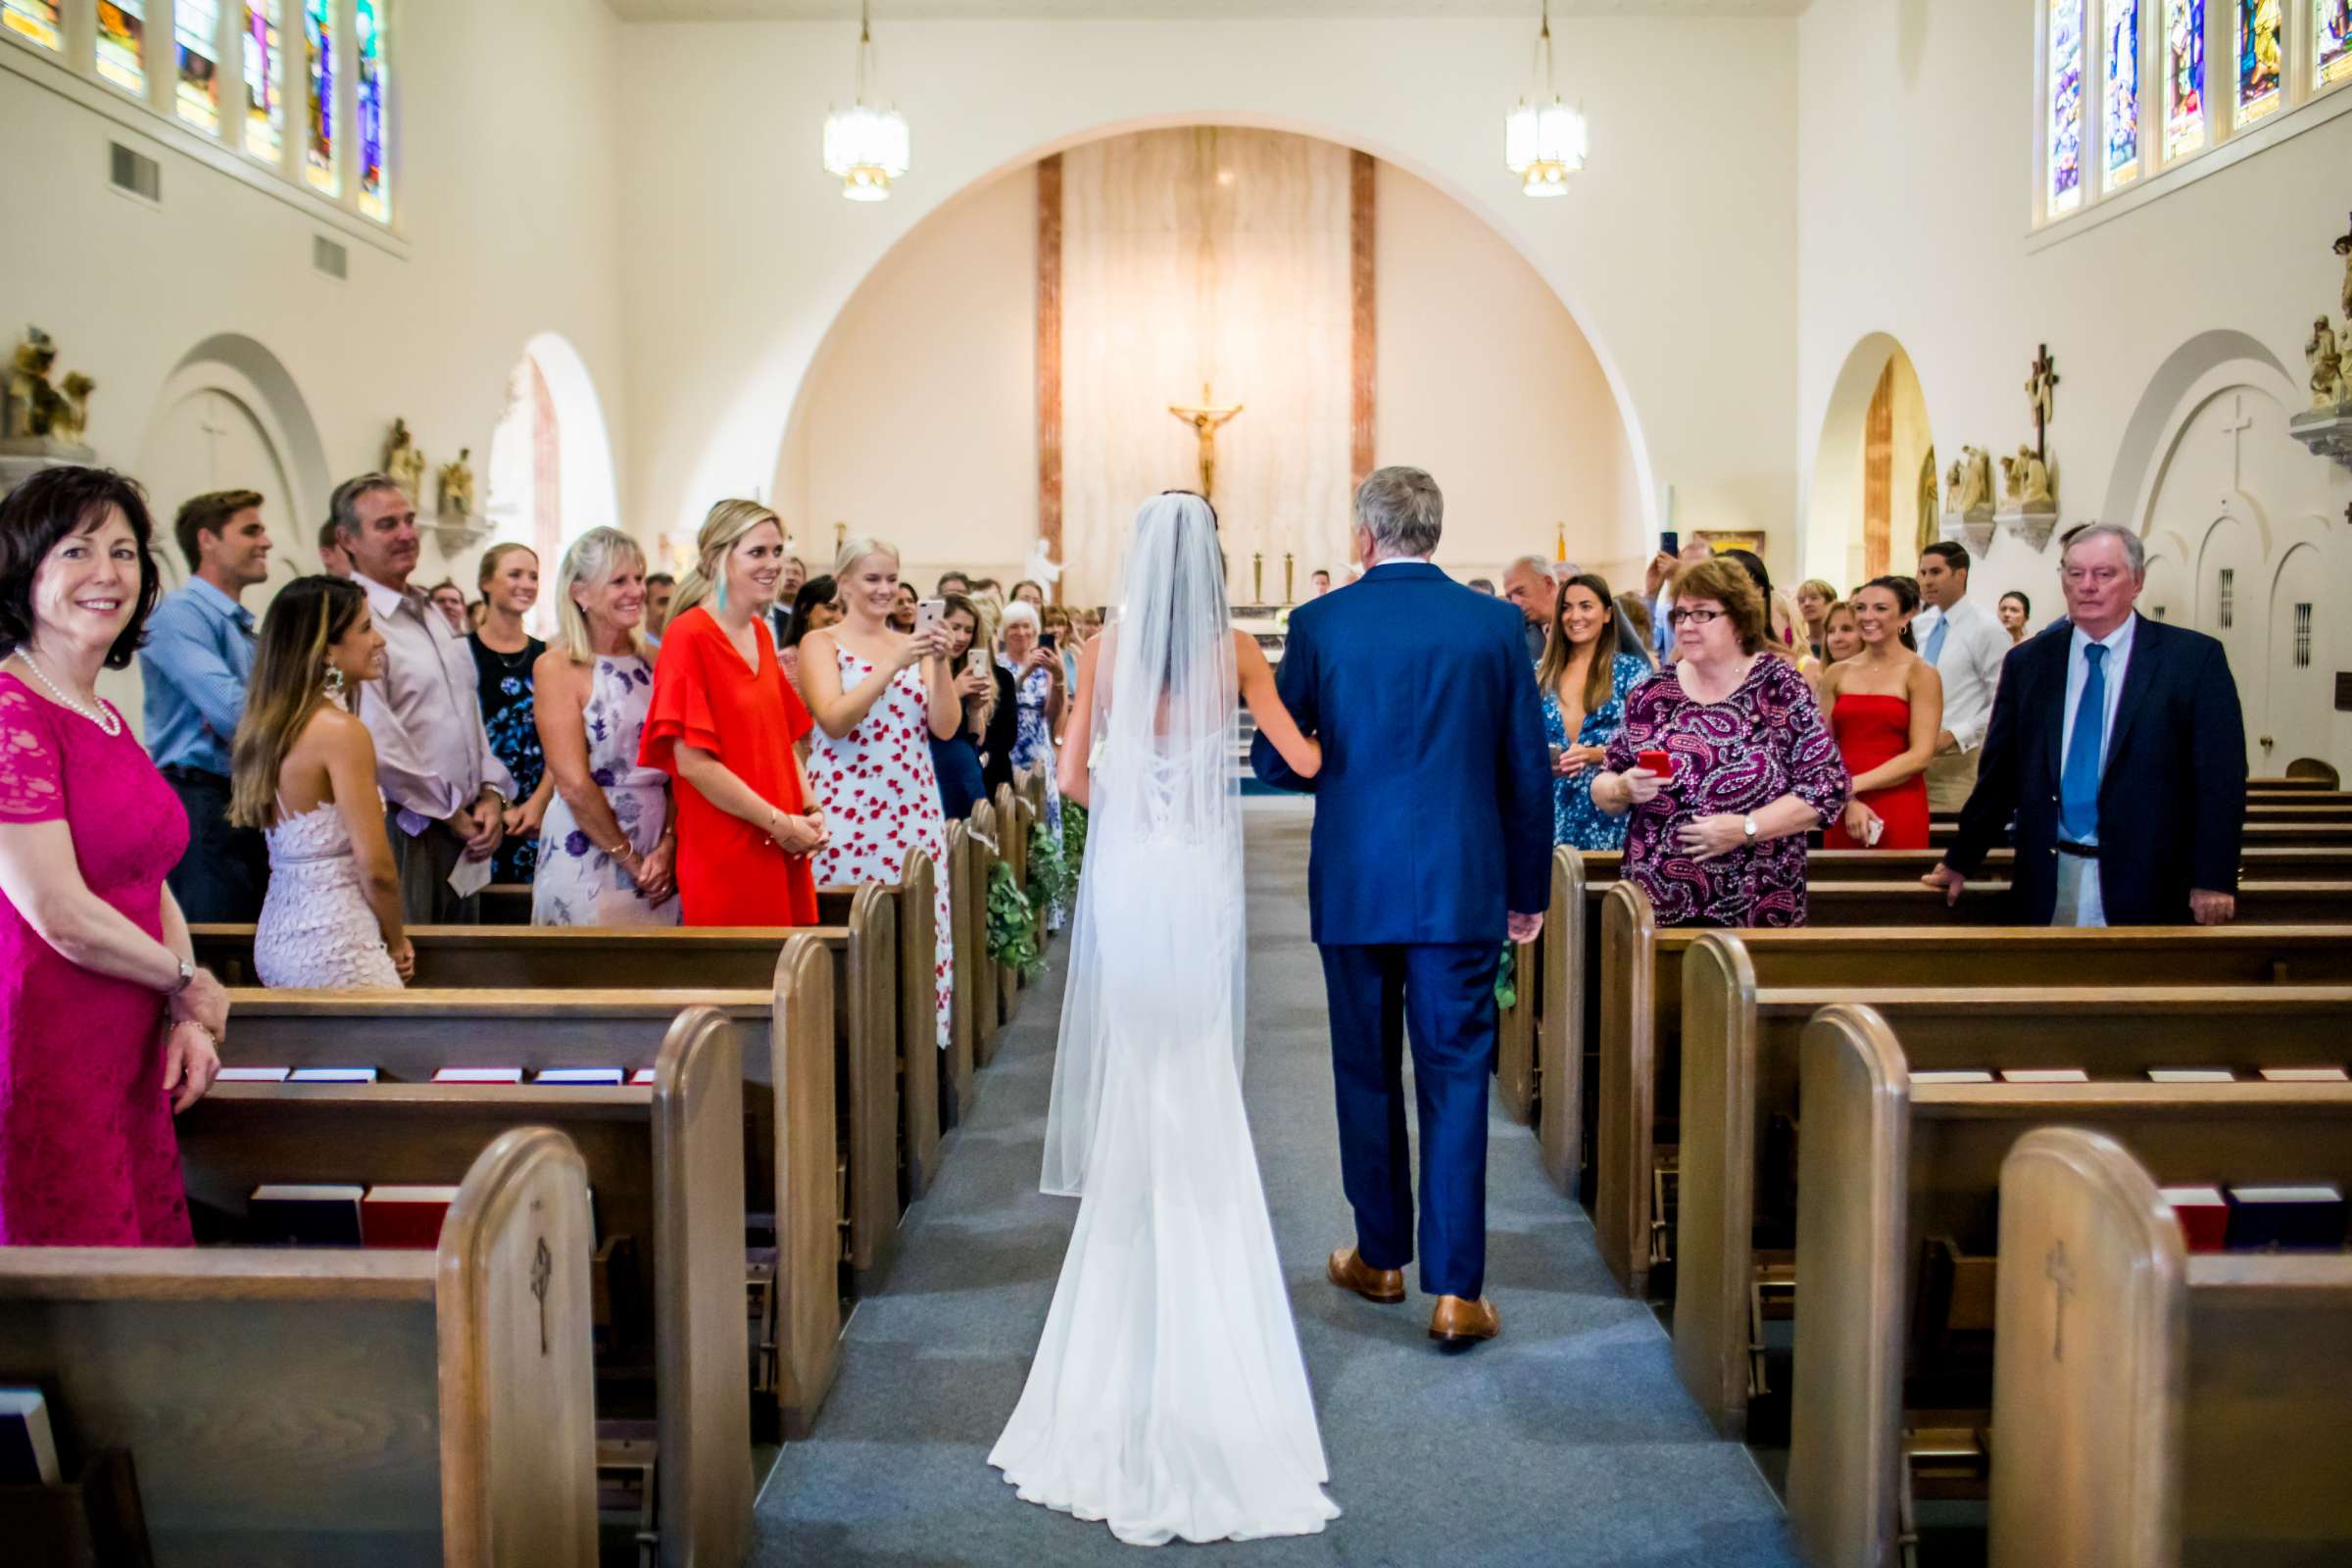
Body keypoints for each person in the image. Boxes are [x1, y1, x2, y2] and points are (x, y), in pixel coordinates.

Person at [993, 490, 1336, 1545]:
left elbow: (1078, 772)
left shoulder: (1105, 645)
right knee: (1196, 1070)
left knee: (1143, 1067)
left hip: (1136, 876)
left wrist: (1142, 805)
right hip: (1195, 878)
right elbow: (1305, 763)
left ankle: (1129, 1263)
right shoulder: (1238, 648)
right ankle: (1205, 1259)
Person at [1251, 466, 1552, 1348]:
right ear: (1436, 530)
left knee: (1366, 1069)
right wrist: (1525, 892)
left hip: (1355, 880)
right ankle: (1457, 1291)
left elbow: (1279, 760)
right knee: (1458, 1077)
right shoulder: (1495, 624)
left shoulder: (1321, 622)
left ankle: (1381, 1256)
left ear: (1363, 535)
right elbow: (1525, 771)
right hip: (1464, 881)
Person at [0, 466, 225, 1245]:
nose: (107, 573)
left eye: (124, 552)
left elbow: (149, 878)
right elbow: (58, 913)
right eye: (76, 551)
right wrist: (187, 983)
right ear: (23, 570)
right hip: (47, 1039)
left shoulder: (98, 712)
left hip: (124, 1040)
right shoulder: (10, 711)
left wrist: (181, 1009)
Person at [1927, 524, 2246, 927]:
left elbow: (2220, 781)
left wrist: (2214, 878)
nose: (2087, 586)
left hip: (2150, 879)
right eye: (2075, 574)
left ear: (2137, 581)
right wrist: (1961, 859)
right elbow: (2000, 775)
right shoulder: (2030, 663)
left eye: (2104, 574)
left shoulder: (2191, 660)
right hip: (2048, 873)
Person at [1591, 555, 1849, 927]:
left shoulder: (1777, 686)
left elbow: (1826, 787)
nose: (1687, 626)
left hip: (1756, 899)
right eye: (1680, 615)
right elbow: (1604, 780)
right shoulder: (1654, 692)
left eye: (1702, 614)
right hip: (1658, 900)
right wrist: (1620, 787)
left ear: (1740, 621)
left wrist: (1746, 828)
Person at [332, 474, 514, 924]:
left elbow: (469, 716)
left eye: (409, 520)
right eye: (387, 524)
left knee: (463, 973)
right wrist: (450, 810)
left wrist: (491, 792)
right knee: (417, 973)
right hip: (406, 827)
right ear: (347, 539)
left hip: (465, 827)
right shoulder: (352, 619)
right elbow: (377, 739)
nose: (407, 534)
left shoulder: (430, 611)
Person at [640, 499, 826, 925]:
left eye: (778, 551)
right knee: (736, 984)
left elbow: (783, 737)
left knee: (785, 981)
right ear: (716, 558)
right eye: (757, 552)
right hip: (726, 842)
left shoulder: (759, 632)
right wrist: (780, 823)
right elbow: (695, 766)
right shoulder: (688, 636)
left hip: (781, 836)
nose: (773, 564)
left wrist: (810, 810)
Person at [802, 537, 956, 1048]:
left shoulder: (915, 643)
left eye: (892, 578)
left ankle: (915, 1057)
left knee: (914, 936)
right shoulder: (820, 644)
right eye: (872, 579)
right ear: (843, 583)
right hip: (848, 811)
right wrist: (893, 664)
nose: (885, 589)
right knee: (854, 936)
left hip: (911, 805)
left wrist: (939, 666)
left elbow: (945, 727)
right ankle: (846, 1055)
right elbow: (835, 719)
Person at [230, 576, 411, 988]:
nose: (379, 640)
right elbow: (376, 867)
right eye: (365, 628)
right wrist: (397, 941)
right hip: (337, 943)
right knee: (404, 1053)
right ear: (326, 649)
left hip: (277, 938)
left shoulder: (269, 727)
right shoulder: (340, 732)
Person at [532, 527, 678, 927]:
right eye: (619, 581)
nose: (635, 591)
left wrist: (667, 845)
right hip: (590, 843)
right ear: (580, 592)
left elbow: (683, 764)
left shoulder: (657, 660)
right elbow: (574, 783)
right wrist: (630, 859)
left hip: (659, 837)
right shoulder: (557, 667)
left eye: (638, 578)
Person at [141, 489, 271, 922]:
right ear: (207, 540)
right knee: (214, 942)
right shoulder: (180, 614)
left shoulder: (238, 624)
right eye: (250, 530)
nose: (266, 542)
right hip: (199, 799)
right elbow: (234, 714)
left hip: (244, 796)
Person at [1817, 576, 1940, 851]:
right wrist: (1848, 798)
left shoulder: (1921, 674)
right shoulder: (1837, 673)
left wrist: (1851, 784)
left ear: (1906, 616)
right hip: (1843, 803)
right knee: (1840, 889)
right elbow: (1821, 749)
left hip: (1898, 801)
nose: (1867, 616)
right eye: (1860, 608)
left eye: (1880, 608)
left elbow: (1920, 755)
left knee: (1896, 890)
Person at [1537, 572, 1651, 852]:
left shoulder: (1631, 673)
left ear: (1607, 614)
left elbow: (1647, 745)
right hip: (1550, 814)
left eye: (1586, 606)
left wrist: (1594, 755)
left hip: (1610, 814)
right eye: (1566, 607)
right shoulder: (1538, 674)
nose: (1575, 615)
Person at [467, 544, 550, 885]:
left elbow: (565, 743)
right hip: (478, 812)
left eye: (533, 576)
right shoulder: (461, 653)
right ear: (486, 582)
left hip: (538, 809)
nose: (526, 584)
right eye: (514, 574)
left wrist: (539, 803)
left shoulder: (546, 656)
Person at [1912, 540, 2009, 812]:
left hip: (1957, 758)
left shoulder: (1987, 628)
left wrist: (1955, 735)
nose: (1927, 581)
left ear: (1960, 574)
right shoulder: (1920, 626)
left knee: (1944, 839)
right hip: (1911, 756)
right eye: (1923, 573)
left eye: (1936, 572)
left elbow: (2002, 701)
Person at [999, 601, 1069, 928]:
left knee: (1047, 828)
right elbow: (998, 705)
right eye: (1015, 627)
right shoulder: (997, 665)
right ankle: (1017, 908)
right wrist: (1024, 671)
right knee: (1012, 830)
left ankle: (1049, 912)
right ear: (1004, 632)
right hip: (1010, 753)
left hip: (1039, 752)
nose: (1023, 633)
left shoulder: (1048, 665)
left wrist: (1056, 677)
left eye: (1028, 626)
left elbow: (1055, 716)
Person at [929, 594, 994, 820]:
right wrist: (954, 692)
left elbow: (977, 739)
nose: (961, 637)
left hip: (967, 772)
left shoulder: (967, 668)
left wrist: (976, 708)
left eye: (969, 630)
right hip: (934, 771)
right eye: (955, 627)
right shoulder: (923, 666)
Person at [777, 573, 840, 691]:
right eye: (830, 608)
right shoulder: (786, 662)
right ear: (805, 610)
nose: (839, 618)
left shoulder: (849, 658)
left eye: (845, 610)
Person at [1500, 554, 1555, 662]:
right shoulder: (1516, 637)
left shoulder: (1580, 626)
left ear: (1548, 584)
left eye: (1521, 592)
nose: (1515, 602)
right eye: (1510, 597)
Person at [768, 555, 808, 647]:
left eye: (796, 573)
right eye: (785, 573)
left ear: (804, 581)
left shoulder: (807, 619)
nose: (791, 578)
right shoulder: (766, 617)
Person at [1795, 577, 1838, 661]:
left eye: (1814, 598)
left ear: (1831, 603)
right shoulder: (1798, 646)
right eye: (1801, 600)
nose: (1807, 604)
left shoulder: (1840, 642)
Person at [645, 571, 676, 637]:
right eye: (663, 602)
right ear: (645, 606)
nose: (670, 609)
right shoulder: (636, 645)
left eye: (673, 602)